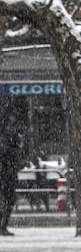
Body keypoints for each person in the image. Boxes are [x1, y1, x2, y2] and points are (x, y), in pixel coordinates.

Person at [0, 97, 29, 236]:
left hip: (7, 170)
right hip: (7, 171)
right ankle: (2, 224)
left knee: (8, 198)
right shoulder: (11, 137)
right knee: (9, 198)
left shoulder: (9, 135)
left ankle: (2, 224)